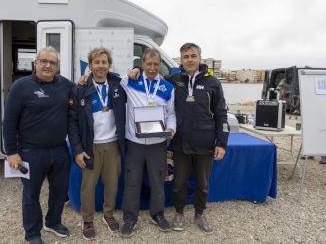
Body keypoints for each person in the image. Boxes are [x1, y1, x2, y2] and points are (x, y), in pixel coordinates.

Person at [130, 42, 229, 234]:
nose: (190, 60)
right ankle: (179, 213)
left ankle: (200, 214)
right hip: (181, 142)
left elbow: (221, 114)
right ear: (181, 60)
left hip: (205, 143)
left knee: (203, 184)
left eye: (193, 56)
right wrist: (136, 69)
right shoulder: (174, 79)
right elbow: (151, 74)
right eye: (186, 57)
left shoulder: (213, 82)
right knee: (179, 183)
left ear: (200, 58)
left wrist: (222, 143)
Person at [3, 46, 74, 244]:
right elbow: (9, 121)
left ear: (57, 66)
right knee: (31, 195)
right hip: (30, 152)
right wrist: (11, 152)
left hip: (59, 150)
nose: (48, 66)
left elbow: (87, 88)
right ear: (36, 63)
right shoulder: (20, 86)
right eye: (44, 61)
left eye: (52, 63)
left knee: (60, 191)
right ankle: (33, 233)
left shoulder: (66, 85)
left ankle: (52, 222)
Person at [68, 47, 126, 240]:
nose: (101, 66)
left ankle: (108, 215)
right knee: (88, 186)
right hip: (90, 146)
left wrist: (136, 71)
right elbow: (72, 123)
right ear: (90, 65)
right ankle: (88, 220)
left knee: (112, 184)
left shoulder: (118, 85)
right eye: (97, 62)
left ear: (109, 65)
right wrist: (77, 150)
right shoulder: (80, 89)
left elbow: (134, 78)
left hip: (113, 145)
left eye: (104, 62)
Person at [120, 48, 176, 238]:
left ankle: (157, 214)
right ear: (142, 64)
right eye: (148, 64)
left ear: (160, 64)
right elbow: (104, 75)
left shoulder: (168, 87)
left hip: (158, 142)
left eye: (155, 64)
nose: (152, 68)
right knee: (132, 181)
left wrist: (171, 128)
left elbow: (172, 113)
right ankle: (130, 218)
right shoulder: (130, 80)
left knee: (157, 180)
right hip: (135, 141)